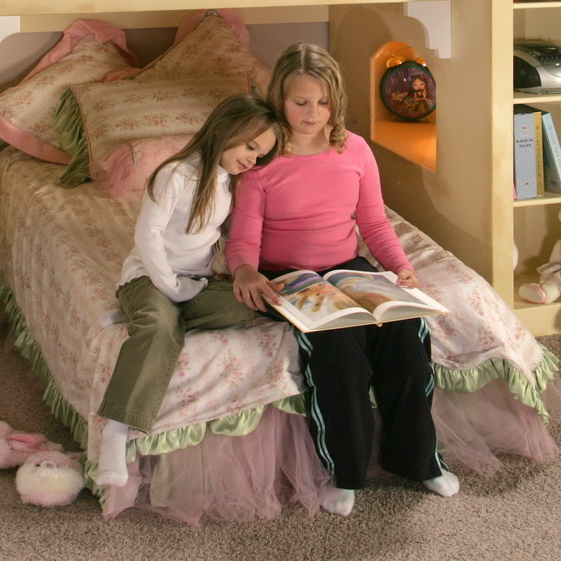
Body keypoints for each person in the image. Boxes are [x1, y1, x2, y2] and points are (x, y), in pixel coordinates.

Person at [227, 44, 459, 516]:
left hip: (350, 268)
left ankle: (419, 460)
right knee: (340, 357)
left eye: (324, 102)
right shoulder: (264, 162)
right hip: (288, 277)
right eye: (301, 102)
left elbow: (373, 222)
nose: (314, 113)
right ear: (279, 101)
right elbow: (243, 238)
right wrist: (245, 271)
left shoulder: (354, 149)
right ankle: (346, 471)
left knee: (408, 338)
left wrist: (401, 269)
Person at [96, 94, 280, 487]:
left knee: (247, 306)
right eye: (249, 146)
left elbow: (229, 238)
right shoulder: (176, 174)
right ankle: (116, 429)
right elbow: (148, 234)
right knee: (160, 327)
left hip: (196, 284)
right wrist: (170, 287)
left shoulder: (231, 181)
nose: (253, 159)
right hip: (150, 276)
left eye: (260, 154)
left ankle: (141, 313)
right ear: (226, 129)